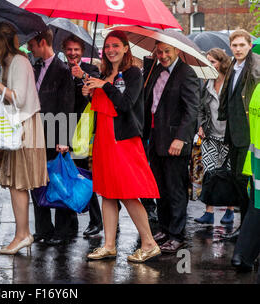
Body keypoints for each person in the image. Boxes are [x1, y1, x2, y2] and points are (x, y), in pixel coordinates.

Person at [83, 30, 161, 263]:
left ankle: (149, 243)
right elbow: (101, 105)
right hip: (104, 139)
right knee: (107, 193)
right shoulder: (105, 73)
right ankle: (108, 245)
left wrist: (104, 86)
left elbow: (126, 105)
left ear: (126, 48)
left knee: (127, 193)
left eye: (116, 45)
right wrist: (89, 92)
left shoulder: (133, 73)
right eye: (107, 46)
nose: (111, 50)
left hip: (123, 141)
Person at [0, 22, 49, 255]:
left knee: (18, 184)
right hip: (18, 125)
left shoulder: (19, 62)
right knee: (15, 184)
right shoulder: (11, 62)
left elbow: (17, 99)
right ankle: (23, 233)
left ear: (0, 43)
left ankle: (23, 235)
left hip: (23, 128)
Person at [143, 41, 200, 254]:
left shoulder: (187, 73)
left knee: (175, 189)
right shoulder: (156, 69)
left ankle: (177, 235)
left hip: (175, 141)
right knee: (160, 187)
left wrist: (181, 138)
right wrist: (148, 66)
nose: (163, 55)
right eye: (159, 51)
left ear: (177, 50)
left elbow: (192, 109)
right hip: (155, 138)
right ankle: (165, 229)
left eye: (167, 51)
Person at [27, 29, 77, 246]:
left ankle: (64, 230)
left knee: (59, 182)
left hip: (55, 134)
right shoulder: (36, 66)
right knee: (38, 182)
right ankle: (43, 229)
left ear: (43, 42)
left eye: (32, 44)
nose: (29, 48)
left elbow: (68, 106)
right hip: (36, 134)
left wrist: (64, 139)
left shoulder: (62, 69)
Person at [218, 29, 260, 241]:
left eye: (242, 45)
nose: (238, 49)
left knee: (249, 183)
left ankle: (247, 231)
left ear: (249, 45)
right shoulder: (233, 67)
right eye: (234, 45)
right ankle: (243, 227)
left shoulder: (257, 66)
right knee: (238, 181)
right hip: (234, 134)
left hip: (250, 135)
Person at [62, 34, 103, 237]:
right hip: (62, 128)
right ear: (64, 50)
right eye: (69, 49)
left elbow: (98, 91)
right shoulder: (61, 70)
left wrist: (83, 79)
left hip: (83, 131)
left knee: (84, 176)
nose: (73, 53)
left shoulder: (91, 70)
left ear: (82, 51)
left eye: (76, 49)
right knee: (67, 175)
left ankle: (96, 221)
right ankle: (70, 224)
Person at [194, 48, 234, 225]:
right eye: (208, 61)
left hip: (228, 136)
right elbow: (200, 108)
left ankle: (230, 210)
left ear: (221, 62)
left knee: (228, 173)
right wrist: (201, 125)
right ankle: (208, 212)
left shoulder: (231, 81)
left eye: (213, 61)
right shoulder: (207, 82)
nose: (210, 64)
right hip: (210, 135)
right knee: (210, 173)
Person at [233, 82, 260, 272]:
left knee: (256, 207)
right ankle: (243, 255)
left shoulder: (258, 88)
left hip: (256, 160)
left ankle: (242, 255)